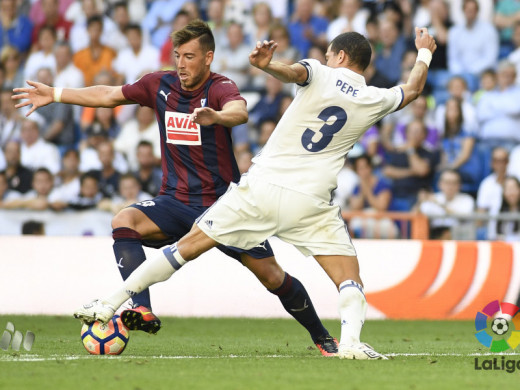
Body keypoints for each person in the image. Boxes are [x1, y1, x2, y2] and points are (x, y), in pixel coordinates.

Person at [68, 27, 437, 359]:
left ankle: (109, 302)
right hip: (310, 201)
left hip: (260, 188)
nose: (326, 58)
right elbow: (415, 88)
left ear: (339, 57)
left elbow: (295, 73)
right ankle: (351, 344)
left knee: (186, 248)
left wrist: (268, 64)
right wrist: (423, 51)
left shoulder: (320, 71)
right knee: (348, 278)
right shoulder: (376, 98)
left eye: (329, 54)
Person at [13, 20, 338, 357]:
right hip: (175, 201)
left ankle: (323, 337)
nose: (182, 64)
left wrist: (217, 117)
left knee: (273, 277)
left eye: (190, 56)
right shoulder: (159, 84)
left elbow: (239, 111)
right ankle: (141, 308)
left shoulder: (220, 87)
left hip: (226, 207)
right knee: (124, 221)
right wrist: (55, 94)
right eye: (178, 56)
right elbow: (109, 95)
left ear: (208, 57)